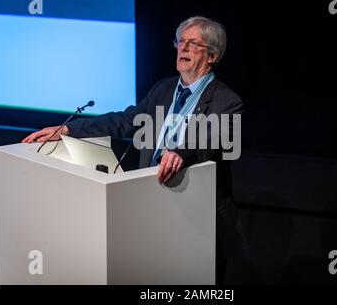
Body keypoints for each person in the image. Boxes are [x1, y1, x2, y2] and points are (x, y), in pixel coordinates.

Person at [22, 16, 245, 284]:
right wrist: (69, 130)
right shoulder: (163, 89)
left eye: (193, 43)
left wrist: (180, 153)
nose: (182, 48)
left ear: (212, 55)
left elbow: (213, 136)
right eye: (180, 41)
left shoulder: (227, 101)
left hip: (195, 214)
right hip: (146, 199)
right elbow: (125, 120)